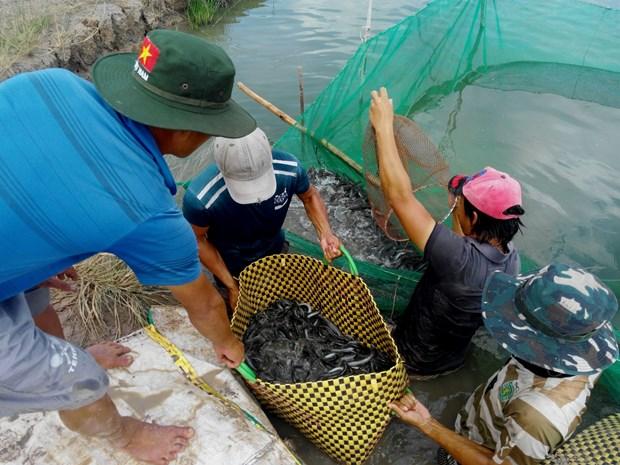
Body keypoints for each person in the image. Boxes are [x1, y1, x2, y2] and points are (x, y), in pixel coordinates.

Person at [0, 29, 256, 465]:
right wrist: (228, 342)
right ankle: (125, 436)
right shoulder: (145, 209)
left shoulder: (51, 82)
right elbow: (204, 306)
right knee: (79, 380)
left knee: (35, 293)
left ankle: (59, 336)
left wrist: (26, 257)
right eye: (209, 129)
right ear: (183, 132)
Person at [390, 263, 619, 465]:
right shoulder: (584, 346)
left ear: (542, 343)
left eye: (516, 320)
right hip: (491, 422)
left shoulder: (537, 417)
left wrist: (429, 424)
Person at [369, 87, 525, 378]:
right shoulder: (511, 259)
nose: (454, 204)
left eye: (459, 204)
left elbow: (399, 196)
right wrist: (460, 212)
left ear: (475, 217)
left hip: (412, 362)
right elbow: (468, 245)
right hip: (452, 360)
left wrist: (384, 126)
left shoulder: (458, 259)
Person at [182, 127, 342, 309]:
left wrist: (325, 233)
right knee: (234, 308)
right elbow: (197, 240)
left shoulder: (290, 170)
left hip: (275, 248)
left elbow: (310, 196)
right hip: (231, 263)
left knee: (284, 303)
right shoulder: (201, 199)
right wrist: (231, 286)